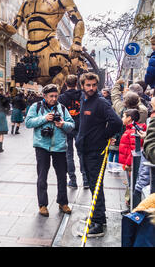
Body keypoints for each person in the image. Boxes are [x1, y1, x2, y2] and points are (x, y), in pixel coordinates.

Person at [75, 72, 123, 237]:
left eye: (94, 85)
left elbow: (117, 122)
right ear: (82, 86)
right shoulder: (84, 100)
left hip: (96, 151)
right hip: (85, 150)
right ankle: (96, 216)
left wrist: (104, 136)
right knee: (94, 185)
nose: (91, 88)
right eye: (88, 85)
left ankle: (98, 223)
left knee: (96, 187)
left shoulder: (101, 102)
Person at [25, 84, 75, 217]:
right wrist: (44, 118)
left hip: (59, 147)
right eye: (51, 96)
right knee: (42, 176)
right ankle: (43, 205)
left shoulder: (62, 108)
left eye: (55, 96)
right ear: (44, 96)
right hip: (42, 146)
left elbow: (72, 125)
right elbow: (28, 123)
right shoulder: (36, 107)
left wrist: (63, 124)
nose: (54, 98)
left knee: (62, 176)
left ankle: (63, 202)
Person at [58, 74, 89, 189]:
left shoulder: (61, 98)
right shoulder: (82, 95)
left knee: (68, 155)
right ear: (76, 84)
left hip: (66, 127)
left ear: (66, 84)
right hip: (81, 127)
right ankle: (86, 180)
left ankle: (72, 180)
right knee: (82, 153)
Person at [118, 109, 146, 209]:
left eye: (124, 116)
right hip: (129, 164)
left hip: (131, 165)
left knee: (132, 183)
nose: (122, 118)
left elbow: (134, 150)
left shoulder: (132, 131)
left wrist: (129, 164)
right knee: (130, 184)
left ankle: (132, 206)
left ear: (129, 119)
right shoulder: (129, 129)